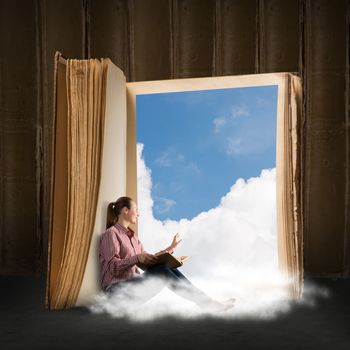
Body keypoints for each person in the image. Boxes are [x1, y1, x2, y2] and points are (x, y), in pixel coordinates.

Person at [99, 196, 234, 312]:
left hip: (133, 288)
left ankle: (207, 302)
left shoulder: (134, 239)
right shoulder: (111, 234)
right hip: (116, 293)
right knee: (162, 270)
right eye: (137, 210)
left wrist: (170, 248)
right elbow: (112, 267)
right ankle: (207, 304)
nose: (138, 214)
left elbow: (149, 259)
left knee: (166, 267)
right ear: (125, 210)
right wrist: (137, 258)